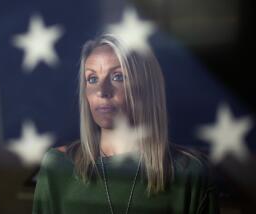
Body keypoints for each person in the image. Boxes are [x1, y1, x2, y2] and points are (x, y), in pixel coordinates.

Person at [32, 34, 219, 214]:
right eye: (92, 79)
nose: (101, 91)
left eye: (118, 77)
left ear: (147, 89)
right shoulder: (57, 167)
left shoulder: (191, 174)